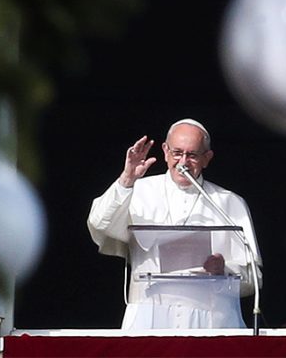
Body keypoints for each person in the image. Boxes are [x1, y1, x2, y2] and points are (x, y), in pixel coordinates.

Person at [87, 118, 263, 330]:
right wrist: (126, 180)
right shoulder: (137, 191)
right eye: (177, 153)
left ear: (207, 158)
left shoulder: (228, 202)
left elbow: (254, 279)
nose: (183, 162)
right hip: (149, 317)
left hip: (211, 323)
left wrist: (222, 271)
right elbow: (99, 224)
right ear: (165, 151)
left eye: (192, 155)